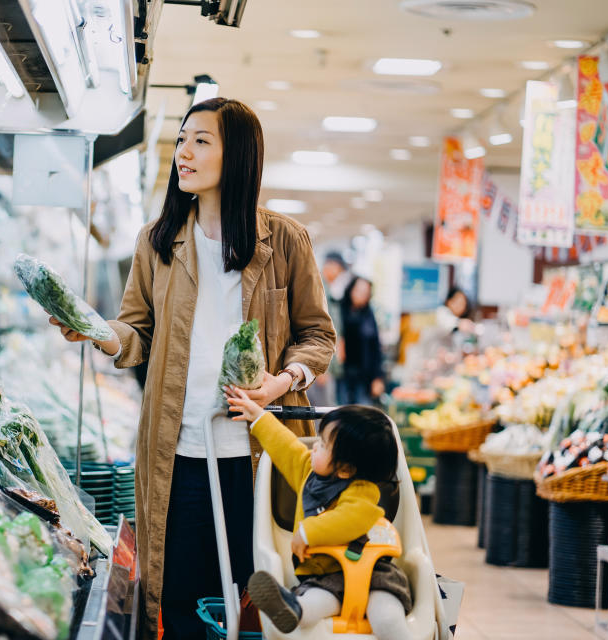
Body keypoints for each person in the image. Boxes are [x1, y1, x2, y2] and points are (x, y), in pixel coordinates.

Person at [48, 97, 336, 640]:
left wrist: (282, 381)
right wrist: (100, 332)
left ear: (239, 154)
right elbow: (138, 334)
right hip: (178, 452)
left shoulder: (285, 241)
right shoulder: (157, 242)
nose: (184, 152)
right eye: (181, 139)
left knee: (265, 594)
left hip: (260, 453)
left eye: (201, 140)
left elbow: (317, 335)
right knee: (180, 597)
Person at [225, 392, 412, 640]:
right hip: (324, 578)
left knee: (387, 617)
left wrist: (307, 532)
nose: (314, 446)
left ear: (346, 469)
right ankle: (291, 609)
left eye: (323, 445)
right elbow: (285, 446)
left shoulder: (363, 492)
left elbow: (352, 518)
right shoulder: (306, 471)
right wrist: (258, 417)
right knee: (312, 604)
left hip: (373, 575)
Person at [307, 252, 350, 407]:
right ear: (331, 266)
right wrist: (320, 368)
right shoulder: (318, 287)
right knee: (321, 414)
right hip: (321, 367)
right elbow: (317, 328)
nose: (339, 276)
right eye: (340, 271)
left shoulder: (326, 288)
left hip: (326, 366)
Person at [338, 276, 385, 406]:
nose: (361, 295)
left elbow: (376, 347)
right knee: (339, 411)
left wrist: (378, 377)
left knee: (362, 411)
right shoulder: (339, 310)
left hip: (363, 375)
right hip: (340, 374)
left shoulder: (369, 315)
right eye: (359, 290)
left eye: (366, 293)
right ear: (351, 289)